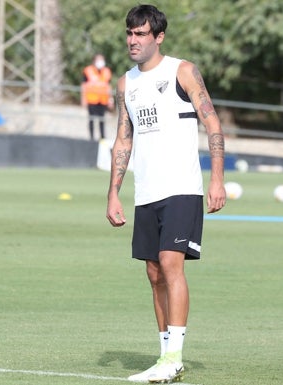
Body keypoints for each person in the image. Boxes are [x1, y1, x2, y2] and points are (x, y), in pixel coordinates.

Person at [106, 5, 226, 383]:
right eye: (130, 33)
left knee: (171, 264)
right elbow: (123, 139)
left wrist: (217, 179)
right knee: (154, 272)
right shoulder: (125, 84)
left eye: (141, 34)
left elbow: (212, 122)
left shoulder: (182, 71)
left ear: (158, 37)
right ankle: (164, 355)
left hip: (182, 188)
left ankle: (174, 356)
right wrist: (113, 193)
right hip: (147, 192)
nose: (132, 40)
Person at [81, 53, 113, 140]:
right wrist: (83, 99)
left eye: (102, 60)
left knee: (102, 120)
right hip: (92, 99)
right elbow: (84, 85)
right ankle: (91, 138)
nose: (101, 62)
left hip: (103, 100)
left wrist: (111, 99)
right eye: (99, 60)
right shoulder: (88, 70)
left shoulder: (106, 71)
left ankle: (102, 138)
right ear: (94, 61)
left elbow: (108, 86)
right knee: (91, 119)